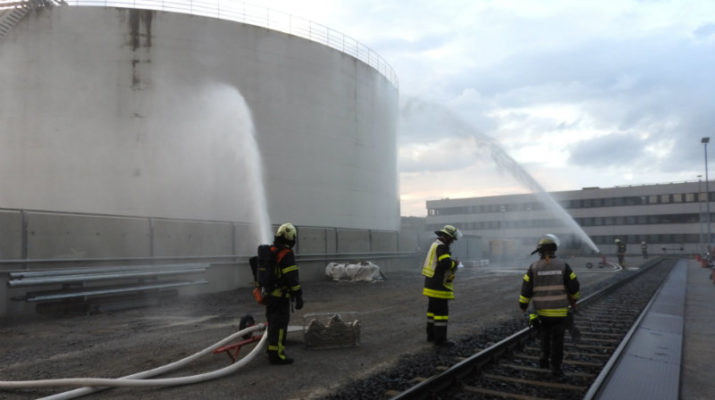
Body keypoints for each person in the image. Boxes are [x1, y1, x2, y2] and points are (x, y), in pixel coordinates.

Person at [519, 234, 580, 377]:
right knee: (558, 341)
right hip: (559, 313)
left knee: (544, 336)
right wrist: (574, 300)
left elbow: (526, 290)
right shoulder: (563, 265)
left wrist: (523, 305)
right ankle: (556, 368)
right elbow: (574, 286)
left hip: (541, 313)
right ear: (554, 250)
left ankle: (543, 359)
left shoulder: (533, 267)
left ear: (539, 251)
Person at [265, 223, 303, 365]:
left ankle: (271, 350)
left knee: (272, 324)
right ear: (290, 237)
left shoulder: (271, 250)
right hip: (280, 297)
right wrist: (298, 295)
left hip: (269, 296)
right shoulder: (286, 254)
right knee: (280, 326)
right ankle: (277, 355)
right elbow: (291, 278)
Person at [422, 224, 461, 347]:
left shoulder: (434, 245)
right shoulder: (442, 247)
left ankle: (431, 335)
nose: (453, 242)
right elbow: (445, 263)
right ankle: (440, 340)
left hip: (430, 285)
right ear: (447, 237)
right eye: (452, 239)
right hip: (439, 286)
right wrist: (455, 263)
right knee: (441, 314)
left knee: (432, 312)